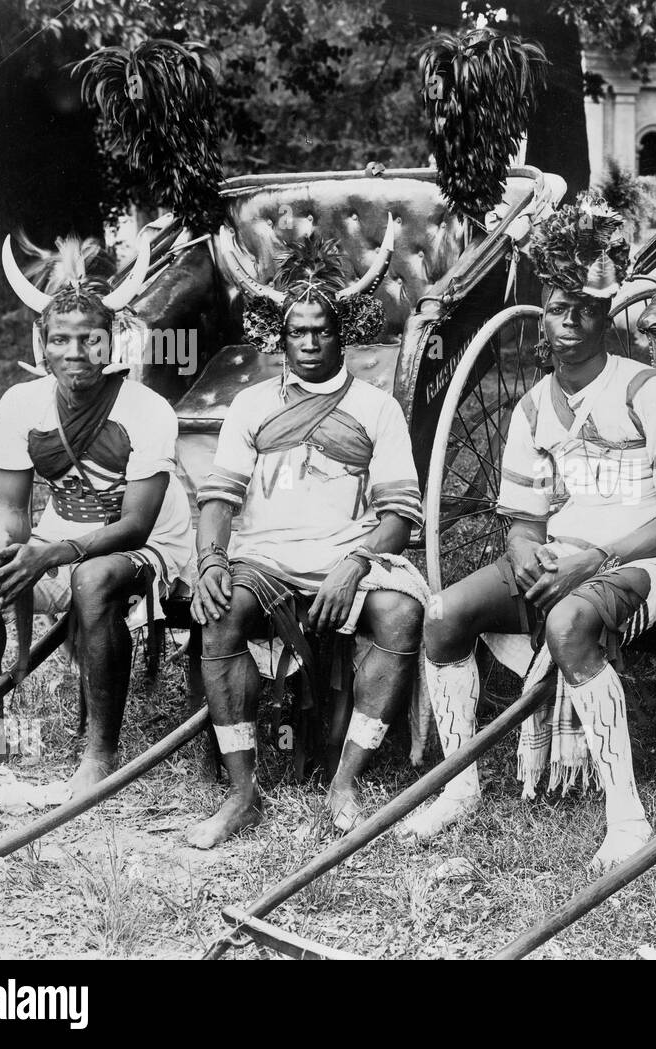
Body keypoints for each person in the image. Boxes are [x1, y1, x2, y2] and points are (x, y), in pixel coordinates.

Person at [399, 194, 656, 871]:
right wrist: (528, 556)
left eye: (583, 312)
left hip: (643, 562)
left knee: (569, 624)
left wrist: (591, 560)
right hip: (560, 557)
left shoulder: (648, 392)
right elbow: (522, 520)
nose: (565, 325)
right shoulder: (535, 405)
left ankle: (627, 816)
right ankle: (459, 785)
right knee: (444, 613)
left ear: (606, 318)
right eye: (557, 309)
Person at [186, 228, 427, 847]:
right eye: (299, 331)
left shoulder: (379, 409)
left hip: (348, 554)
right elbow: (219, 499)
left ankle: (345, 780)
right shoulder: (250, 406)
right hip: (263, 558)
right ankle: (243, 793)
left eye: (323, 329)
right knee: (220, 613)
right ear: (281, 336)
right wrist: (212, 559)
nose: (312, 342)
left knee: (400, 613)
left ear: (341, 332)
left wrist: (358, 561)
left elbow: (399, 515)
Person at [0, 234, 193, 794]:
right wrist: (12, 550)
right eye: (61, 340)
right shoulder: (20, 404)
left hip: (148, 545)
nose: (76, 353)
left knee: (93, 575)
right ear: (42, 344)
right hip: (59, 537)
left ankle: (99, 751)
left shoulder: (147, 410)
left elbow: (137, 524)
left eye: (91, 339)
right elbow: (11, 506)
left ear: (114, 343)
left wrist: (51, 554)